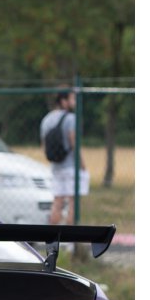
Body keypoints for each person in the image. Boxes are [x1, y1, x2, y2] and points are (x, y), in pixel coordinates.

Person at [40, 88, 86, 225]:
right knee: (73, 202)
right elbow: (74, 143)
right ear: (64, 101)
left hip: (56, 166)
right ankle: (72, 242)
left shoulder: (47, 119)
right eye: (72, 99)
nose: (74, 102)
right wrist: (82, 165)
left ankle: (52, 241)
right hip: (71, 166)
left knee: (58, 201)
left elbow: (44, 144)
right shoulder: (71, 119)